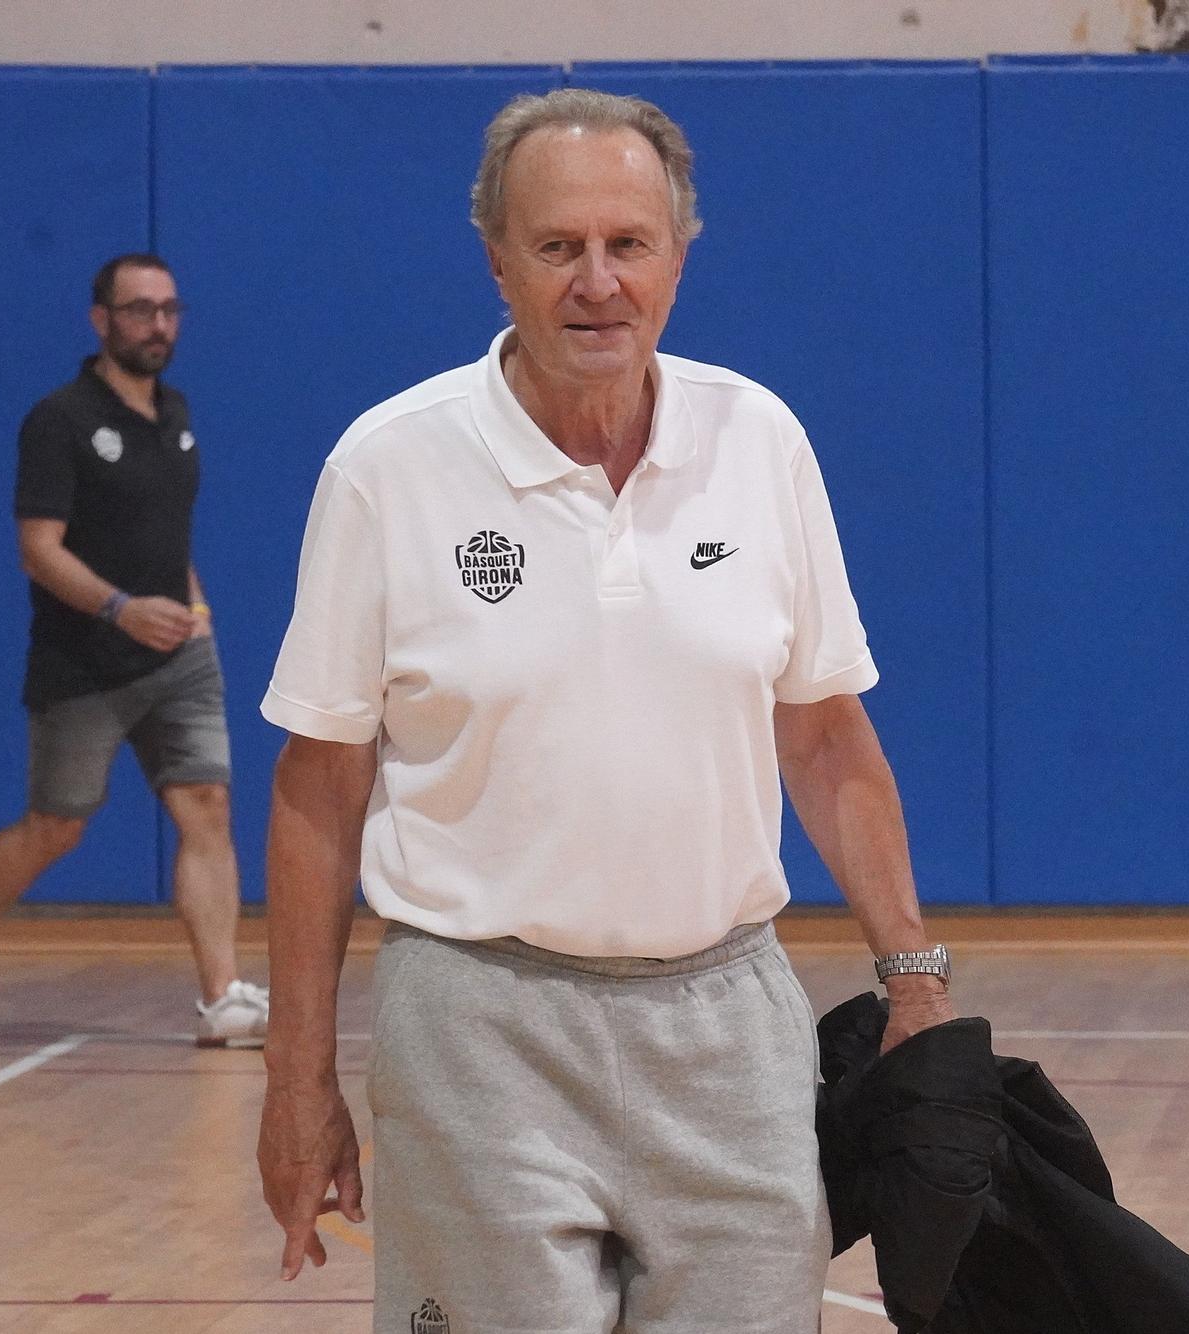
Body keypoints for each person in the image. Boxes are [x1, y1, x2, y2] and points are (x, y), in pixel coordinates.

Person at [256, 90, 953, 1332]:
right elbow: (319, 788)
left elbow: (825, 733)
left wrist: (914, 981)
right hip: (478, 1028)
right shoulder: (387, 466)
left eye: (628, 244)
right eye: (557, 246)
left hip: (730, 1030)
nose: (597, 283)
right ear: (495, 260)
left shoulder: (759, 439)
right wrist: (295, 1077)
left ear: (677, 257)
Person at [0, 253, 267, 1048]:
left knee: (206, 807)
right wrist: (119, 609)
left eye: (170, 309)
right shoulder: (60, 419)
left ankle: (223, 998)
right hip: (84, 662)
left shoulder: (175, 415)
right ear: (100, 319)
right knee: (57, 826)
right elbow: (38, 548)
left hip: (180, 656)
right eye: (140, 310)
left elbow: (166, 535)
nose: (158, 325)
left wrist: (192, 601)